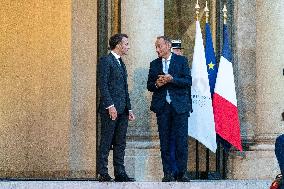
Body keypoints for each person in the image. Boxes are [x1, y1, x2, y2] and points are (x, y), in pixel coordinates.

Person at [147, 36, 192, 182]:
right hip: (163, 107)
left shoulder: (181, 61)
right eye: (156, 47)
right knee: (164, 140)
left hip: (179, 106)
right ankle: (168, 173)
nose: (157, 49)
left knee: (181, 140)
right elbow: (149, 85)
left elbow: (188, 81)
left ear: (168, 45)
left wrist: (172, 79)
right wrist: (158, 84)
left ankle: (182, 172)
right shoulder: (154, 64)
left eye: (159, 46)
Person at [97, 33, 135, 182]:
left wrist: (129, 109)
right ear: (118, 45)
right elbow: (103, 85)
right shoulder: (106, 61)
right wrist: (110, 105)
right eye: (126, 44)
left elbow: (124, 88)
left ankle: (120, 172)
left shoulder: (121, 63)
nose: (128, 46)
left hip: (123, 110)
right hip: (110, 110)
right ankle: (103, 172)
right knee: (106, 140)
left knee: (120, 142)